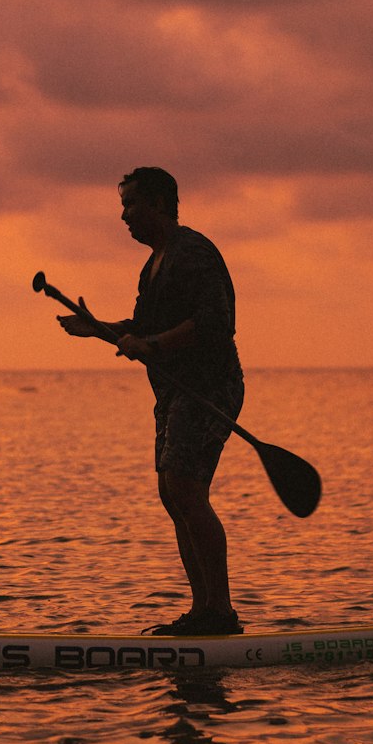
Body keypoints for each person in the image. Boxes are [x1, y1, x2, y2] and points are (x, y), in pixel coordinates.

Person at [58, 167, 245, 636]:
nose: (123, 216)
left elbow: (214, 323)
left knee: (185, 490)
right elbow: (141, 330)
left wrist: (156, 345)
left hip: (209, 387)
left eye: (130, 205)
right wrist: (99, 328)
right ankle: (203, 610)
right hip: (174, 391)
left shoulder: (193, 253)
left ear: (159, 203)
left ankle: (219, 613)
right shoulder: (154, 264)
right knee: (172, 493)